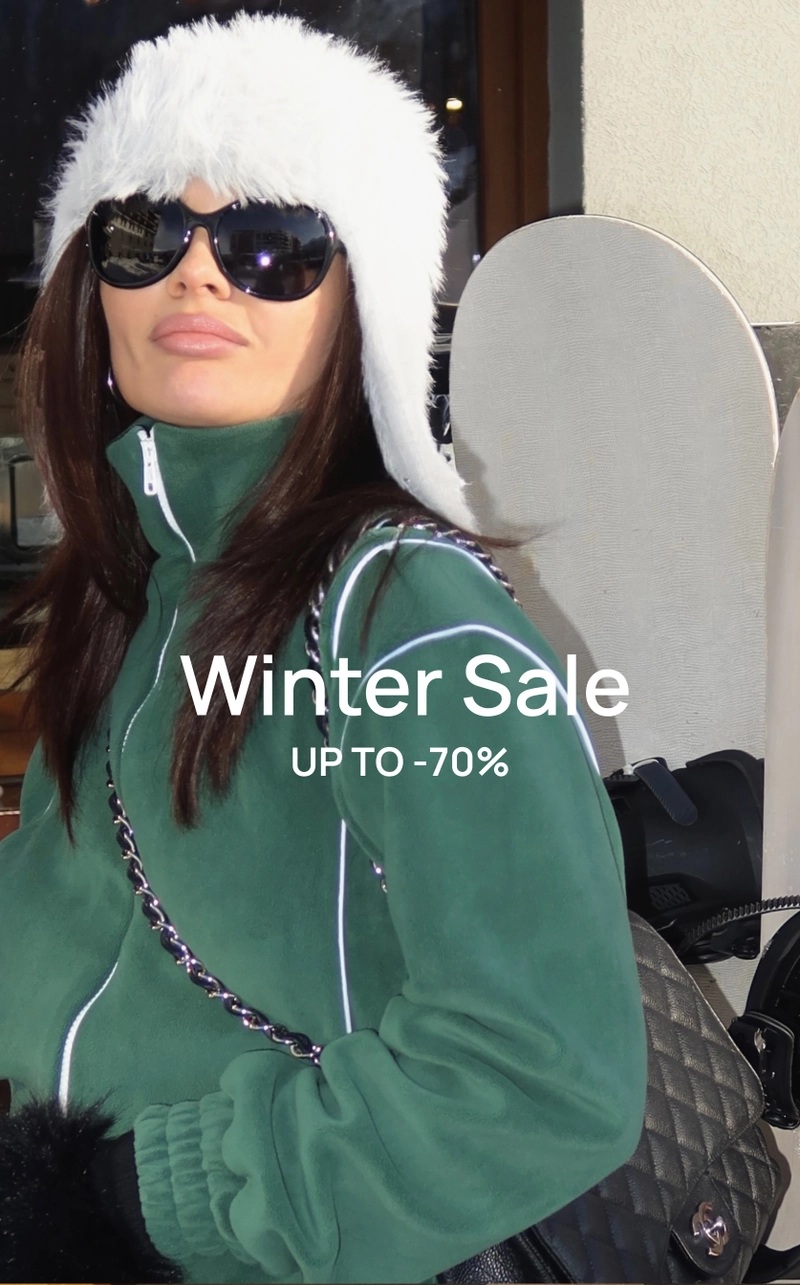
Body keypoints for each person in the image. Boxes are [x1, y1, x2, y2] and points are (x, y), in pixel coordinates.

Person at [0, 13, 646, 1285]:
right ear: (93, 287)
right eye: (143, 235)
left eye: (272, 246)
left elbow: (542, 1073)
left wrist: (137, 1201)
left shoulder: (406, 613)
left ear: (364, 311)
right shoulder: (129, 594)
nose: (198, 276)